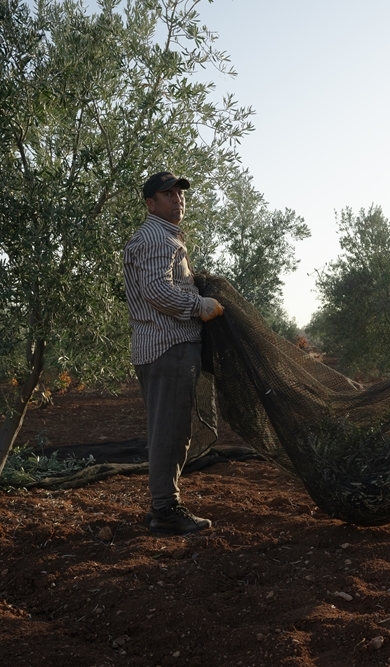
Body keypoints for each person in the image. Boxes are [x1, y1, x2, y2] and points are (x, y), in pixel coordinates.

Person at [123, 171, 225, 535]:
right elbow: (157, 292)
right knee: (170, 431)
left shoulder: (162, 237)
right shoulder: (156, 238)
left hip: (163, 347)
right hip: (169, 346)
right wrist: (201, 306)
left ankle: (163, 506)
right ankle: (165, 510)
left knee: (171, 429)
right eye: (168, 194)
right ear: (151, 204)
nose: (177, 198)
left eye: (180, 192)